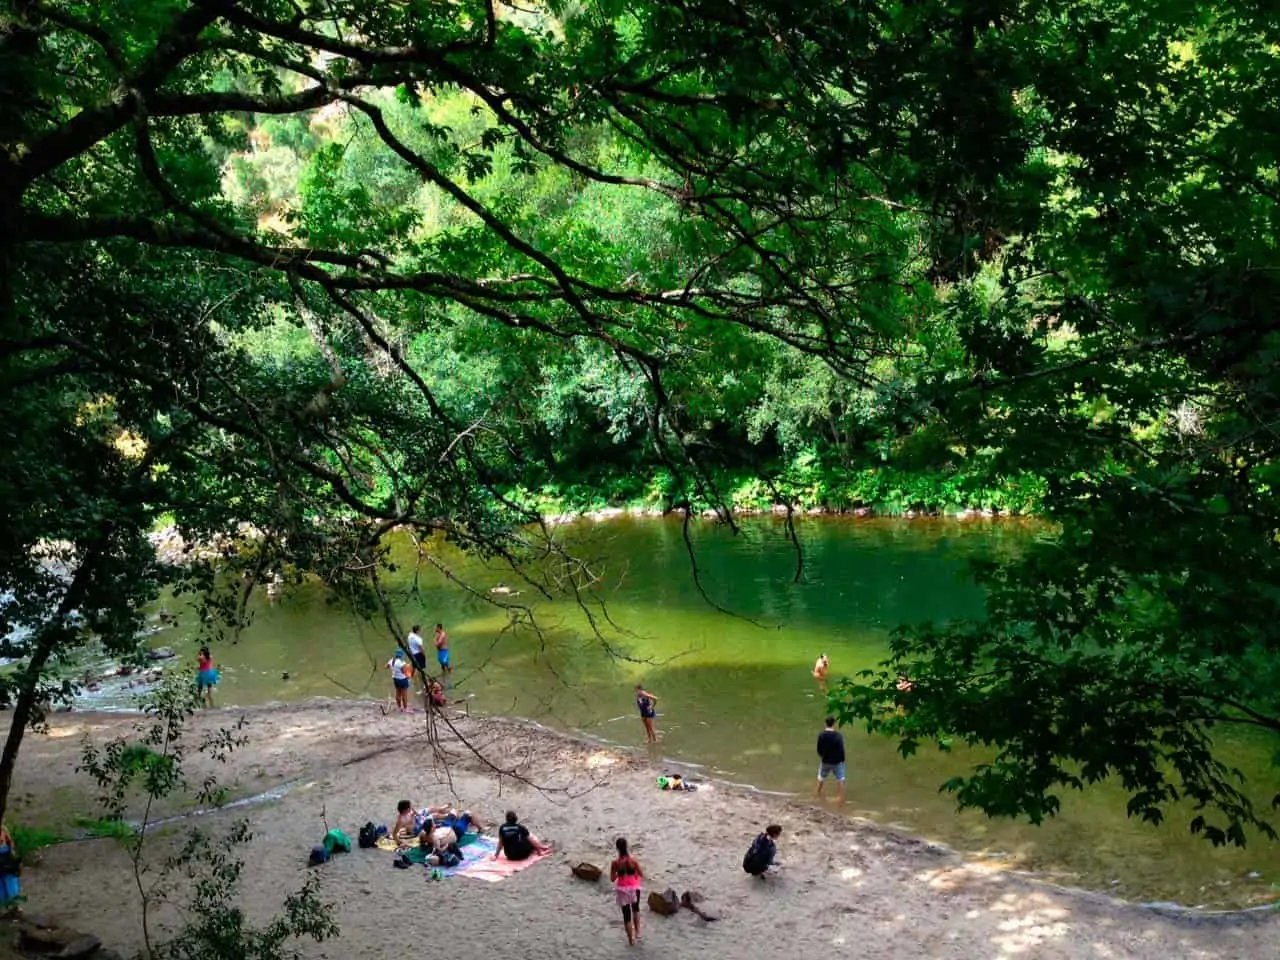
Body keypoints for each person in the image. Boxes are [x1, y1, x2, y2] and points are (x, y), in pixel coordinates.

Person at [610, 837, 644, 946]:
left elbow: (612, 878)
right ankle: (638, 932)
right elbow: (641, 874)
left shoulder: (615, 863)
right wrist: (634, 875)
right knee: (636, 909)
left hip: (622, 889)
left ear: (617, 848)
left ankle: (631, 941)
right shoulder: (633, 861)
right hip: (634, 887)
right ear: (626, 846)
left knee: (626, 915)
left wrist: (619, 873)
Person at [816, 715, 846, 804]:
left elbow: (819, 749)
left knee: (821, 778)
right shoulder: (838, 736)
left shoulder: (821, 735)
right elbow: (841, 750)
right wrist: (842, 760)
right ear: (834, 724)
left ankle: (817, 795)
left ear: (825, 723)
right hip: (836, 762)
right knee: (840, 780)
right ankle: (841, 799)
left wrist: (822, 756)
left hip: (825, 760)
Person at [0, 823, 20, 906]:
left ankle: (13, 906)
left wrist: (12, 851)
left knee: (9, 882)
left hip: (5, 854)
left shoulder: (3, 828)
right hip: (5, 853)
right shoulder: (3, 828)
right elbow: (10, 842)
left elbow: (10, 842)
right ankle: (10, 906)